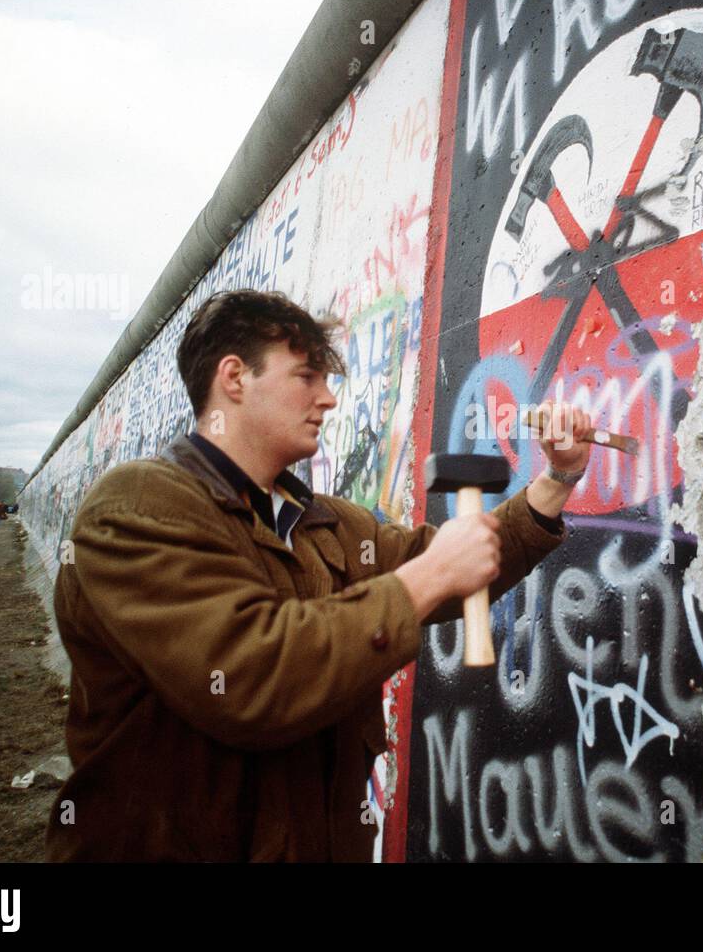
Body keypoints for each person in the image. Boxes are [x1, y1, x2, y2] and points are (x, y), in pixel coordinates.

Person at [46, 289, 593, 862]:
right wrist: (427, 577)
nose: (328, 399)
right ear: (234, 378)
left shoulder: (327, 524)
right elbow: (246, 674)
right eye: (307, 377)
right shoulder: (137, 510)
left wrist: (555, 480)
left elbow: (462, 565)